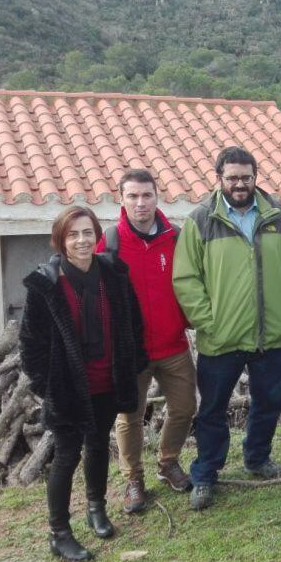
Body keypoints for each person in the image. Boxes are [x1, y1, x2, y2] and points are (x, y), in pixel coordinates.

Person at [173, 146, 281, 510]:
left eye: (245, 178)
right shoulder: (201, 219)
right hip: (221, 338)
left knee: (268, 402)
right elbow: (187, 278)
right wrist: (209, 322)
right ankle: (206, 473)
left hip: (270, 335)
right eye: (232, 178)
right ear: (219, 178)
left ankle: (257, 458)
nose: (239, 184)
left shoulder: (277, 214)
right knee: (212, 410)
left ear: (255, 177)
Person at [19, 206, 146, 562]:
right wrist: (48, 386)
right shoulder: (45, 283)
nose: (81, 240)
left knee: (98, 446)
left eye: (87, 232)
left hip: (108, 381)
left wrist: (132, 364)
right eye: (73, 234)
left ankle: (96, 508)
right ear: (60, 240)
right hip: (68, 388)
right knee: (65, 456)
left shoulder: (114, 273)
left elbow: (132, 323)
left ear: (97, 235)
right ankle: (59, 533)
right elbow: (30, 344)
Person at [95, 169, 195, 514]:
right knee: (129, 417)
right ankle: (134, 479)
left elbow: (191, 283)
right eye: (133, 196)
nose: (141, 203)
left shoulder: (176, 237)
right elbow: (98, 297)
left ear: (157, 197)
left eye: (147, 195)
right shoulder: (110, 243)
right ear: (121, 199)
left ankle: (168, 464)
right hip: (129, 351)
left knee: (184, 408)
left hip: (172, 344)